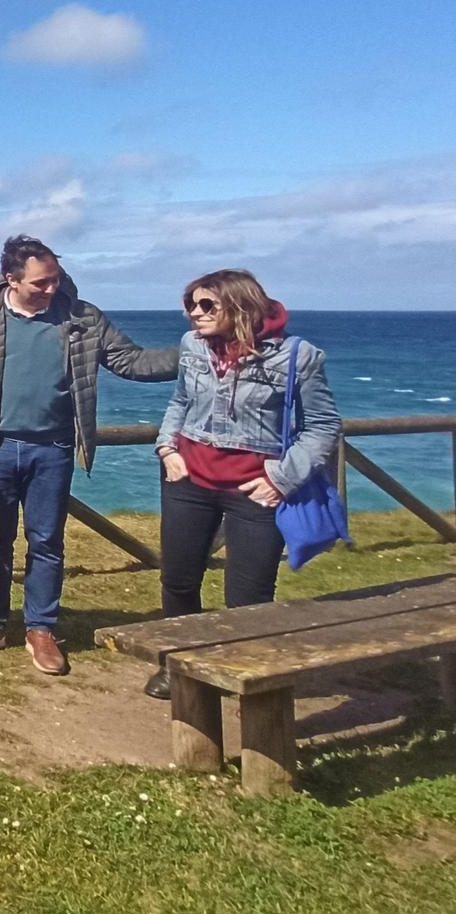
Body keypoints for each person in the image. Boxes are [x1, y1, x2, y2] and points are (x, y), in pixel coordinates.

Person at [0, 235, 179, 676]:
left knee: (47, 541)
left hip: (53, 448)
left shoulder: (82, 317)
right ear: (10, 279)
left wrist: (195, 353)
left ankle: (41, 629)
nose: (52, 288)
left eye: (55, 279)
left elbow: (131, 361)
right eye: (41, 283)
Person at [146, 270, 340, 698]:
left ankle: (244, 675)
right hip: (188, 480)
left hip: (256, 491)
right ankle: (179, 666)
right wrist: (167, 449)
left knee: (248, 595)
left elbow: (323, 426)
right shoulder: (192, 346)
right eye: (191, 305)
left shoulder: (295, 356)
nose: (195, 314)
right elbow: (180, 400)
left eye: (206, 306)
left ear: (240, 306)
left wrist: (281, 478)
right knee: (178, 581)